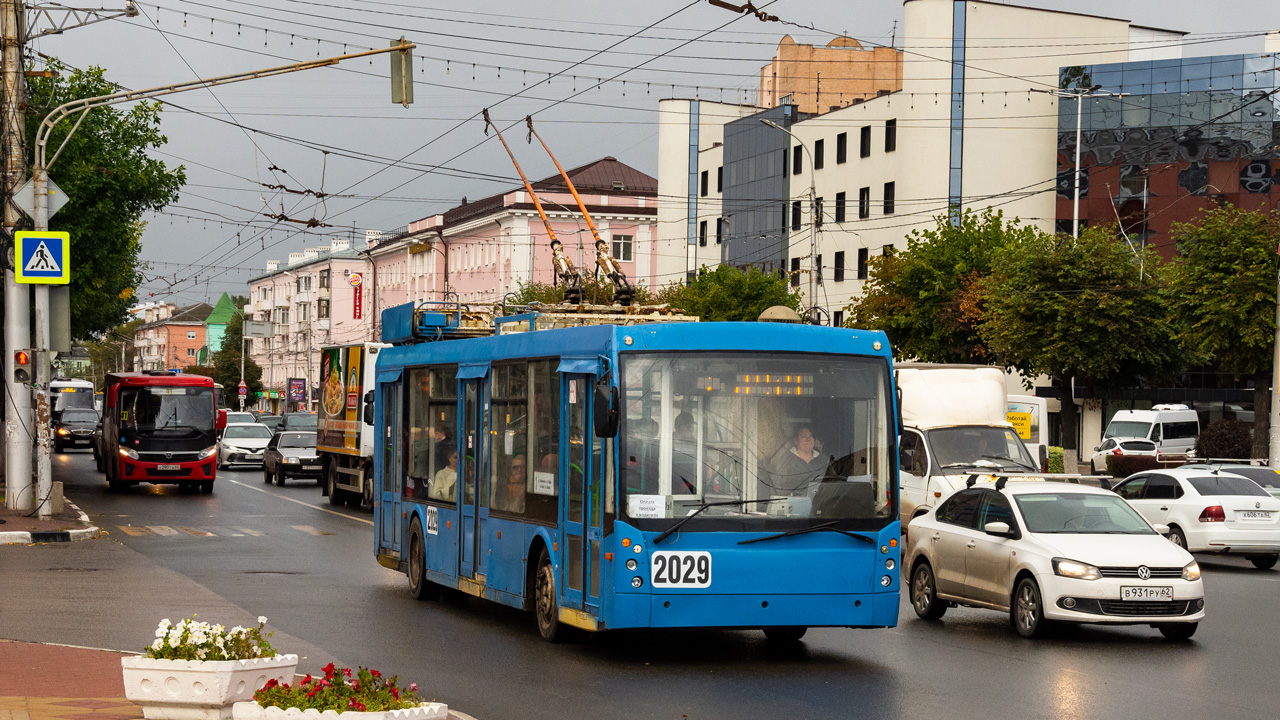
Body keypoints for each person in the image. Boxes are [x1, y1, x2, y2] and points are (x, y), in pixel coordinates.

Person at [769, 426, 826, 496]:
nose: (808, 439)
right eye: (804, 436)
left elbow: (832, 485)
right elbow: (776, 488)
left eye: (811, 436)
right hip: (792, 502)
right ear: (796, 440)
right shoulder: (785, 460)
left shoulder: (823, 461)